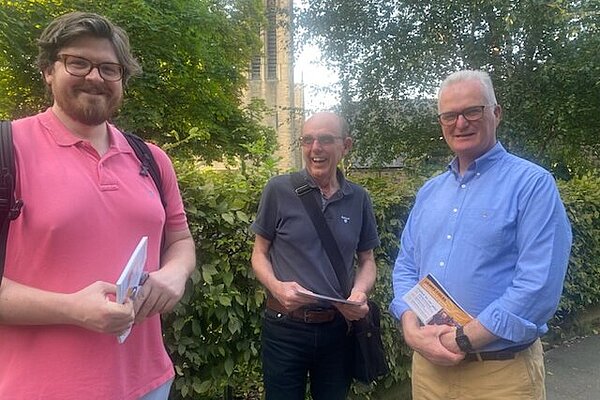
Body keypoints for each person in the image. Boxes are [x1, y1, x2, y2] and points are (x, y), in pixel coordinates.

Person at [0, 12, 196, 399]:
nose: (95, 77)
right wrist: (72, 308)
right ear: (47, 71)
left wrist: (174, 275)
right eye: (78, 62)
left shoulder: (152, 159)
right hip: (38, 389)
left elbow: (180, 238)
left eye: (110, 68)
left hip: (148, 383)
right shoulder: (9, 150)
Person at [390, 70, 572, 400]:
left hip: (500, 375)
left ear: (496, 114)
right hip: (429, 372)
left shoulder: (532, 185)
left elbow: (538, 286)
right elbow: (406, 268)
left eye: (472, 111)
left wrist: (464, 338)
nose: (460, 123)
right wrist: (409, 326)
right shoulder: (429, 192)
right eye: (449, 115)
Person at [250, 112, 380, 400]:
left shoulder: (359, 198)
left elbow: (367, 260)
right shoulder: (278, 190)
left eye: (325, 139)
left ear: (346, 145)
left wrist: (359, 292)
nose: (315, 148)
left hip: (338, 330)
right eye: (307, 140)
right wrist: (277, 287)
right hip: (284, 327)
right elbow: (259, 253)